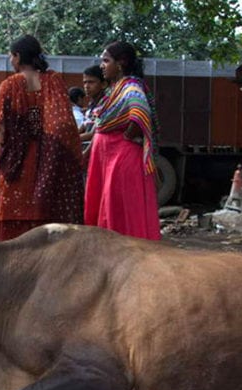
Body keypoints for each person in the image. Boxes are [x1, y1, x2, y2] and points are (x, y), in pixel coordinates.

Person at [0, 35, 83, 242]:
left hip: (16, 164)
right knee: (44, 218)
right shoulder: (53, 81)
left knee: (13, 216)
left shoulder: (10, 85)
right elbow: (60, 125)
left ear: (18, 56)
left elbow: (1, 130)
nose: (10, 61)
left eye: (11, 56)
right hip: (48, 164)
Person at [83, 41, 160, 241]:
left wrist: (126, 137)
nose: (102, 65)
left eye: (106, 61)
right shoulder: (116, 88)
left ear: (121, 63)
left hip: (120, 158)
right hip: (108, 157)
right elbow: (101, 126)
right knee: (109, 208)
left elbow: (140, 112)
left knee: (117, 210)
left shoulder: (131, 86)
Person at [79, 65, 108, 145]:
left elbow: (93, 134)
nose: (86, 86)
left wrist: (72, 139)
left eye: (91, 82)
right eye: (85, 82)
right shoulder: (91, 106)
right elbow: (83, 126)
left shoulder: (106, 105)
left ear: (103, 84)